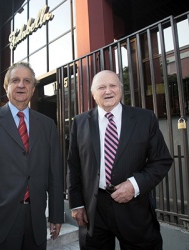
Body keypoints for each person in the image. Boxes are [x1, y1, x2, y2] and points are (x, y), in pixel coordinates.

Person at [0, 62, 64, 250]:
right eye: (15, 80)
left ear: (33, 89)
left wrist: (57, 214)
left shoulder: (48, 125)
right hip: (0, 221)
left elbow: (54, 173)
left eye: (27, 81)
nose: (21, 85)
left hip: (36, 221)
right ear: (6, 86)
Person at [67, 70, 173, 250]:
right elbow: (74, 166)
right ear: (93, 94)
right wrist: (76, 204)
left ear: (121, 89)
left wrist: (134, 185)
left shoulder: (144, 118)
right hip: (94, 210)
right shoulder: (79, 122)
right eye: (101, 87)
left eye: (113, 85)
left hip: (135, 208)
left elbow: (162, 160)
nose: (108, 91)